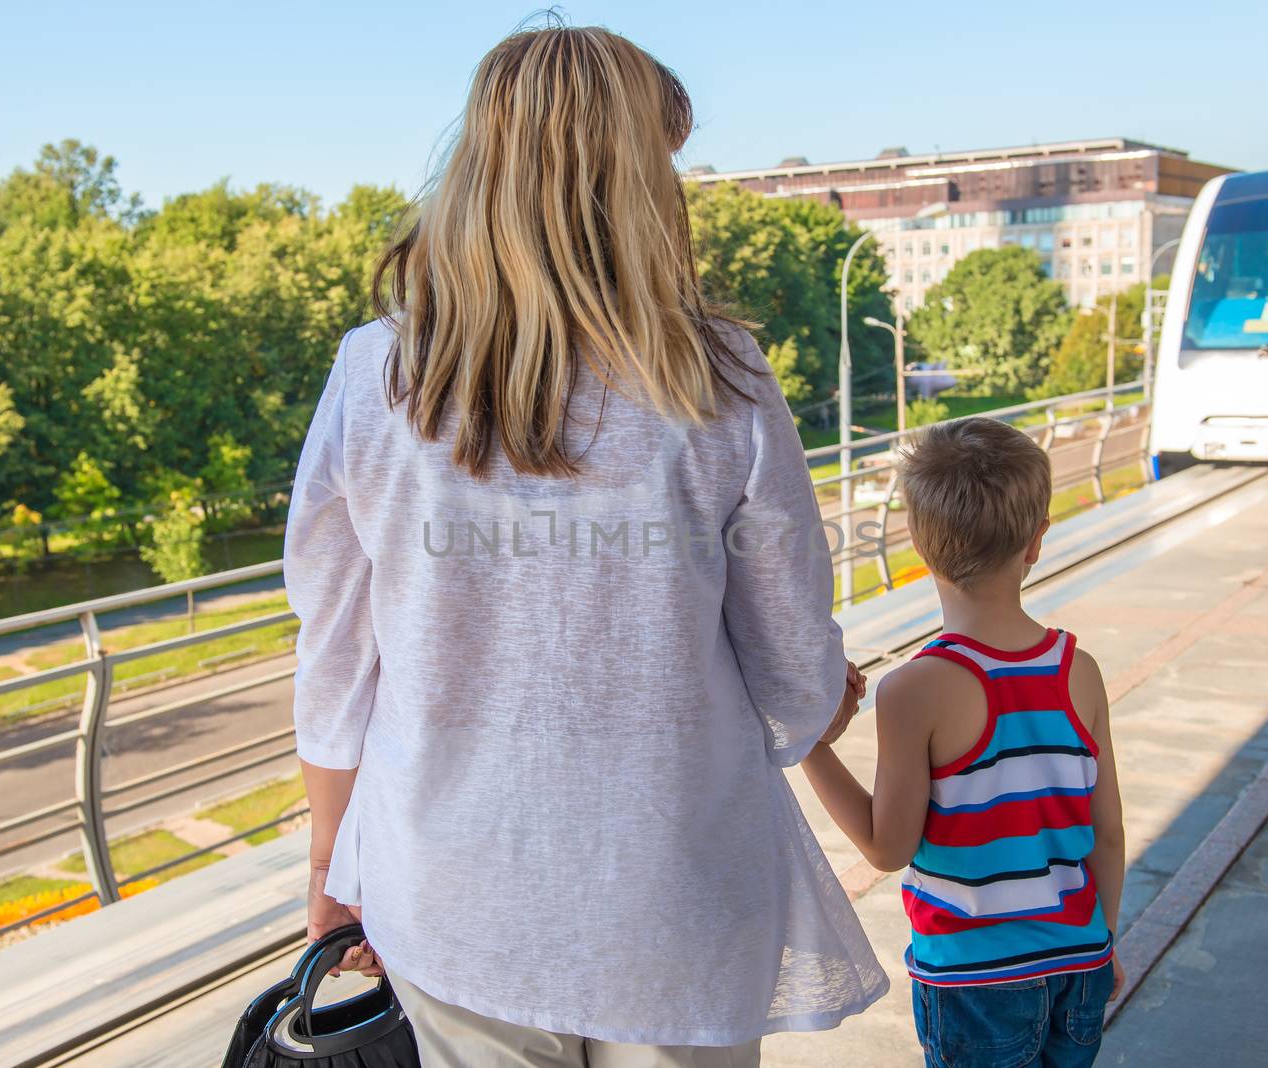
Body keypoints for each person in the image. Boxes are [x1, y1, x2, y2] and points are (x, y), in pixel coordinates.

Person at [283, 24, 888, 1068]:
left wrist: (329, 870)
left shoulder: (376, 376)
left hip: (449, 885)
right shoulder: (720, 377)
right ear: (636, 180)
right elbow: (792, 674)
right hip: (672, 884)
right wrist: (815, 699)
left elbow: (335, 660)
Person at [802, 417, 1126, 1068]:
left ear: (918, 544)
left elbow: (887, 848)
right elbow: (1108, 834)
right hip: (1078, 961)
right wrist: (1103, 943)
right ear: (1036, 543)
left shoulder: (915, 690)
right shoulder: (1076, 669)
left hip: (974, 981)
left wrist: (811, 745)